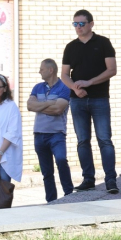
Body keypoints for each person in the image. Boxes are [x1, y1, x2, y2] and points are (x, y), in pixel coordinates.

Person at [61, 9, 118, 194]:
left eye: (81, 24)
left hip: (99, 98)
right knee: (82, 141)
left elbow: (112, 70)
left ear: (91, 24)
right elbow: (64, 75)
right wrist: (75, 88)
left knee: (104, 140)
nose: (78, 27)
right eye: (75, 24)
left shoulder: (103, 43)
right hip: (77, 101)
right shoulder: (70, 47)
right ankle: (88, 179)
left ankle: (110, 180)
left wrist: (89, 82)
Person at [27, 59, 74, 202]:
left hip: (56, 134)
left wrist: (40, 105)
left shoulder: (64, 88)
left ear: (50, 70)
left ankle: (69, 194)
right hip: (39, 134)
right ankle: (51, 200)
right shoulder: (37, 87)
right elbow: (30, 106)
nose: (39, 71)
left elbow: (58, 109)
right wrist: (49, 103)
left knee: (61, 160)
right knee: (46, 171)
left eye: (41, 69)